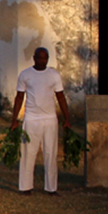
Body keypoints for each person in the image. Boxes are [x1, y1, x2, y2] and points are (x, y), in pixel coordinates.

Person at [9, 46, 71, 195]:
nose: (42, 60)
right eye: (40, 58)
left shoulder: (54, 75)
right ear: (34, 58)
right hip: (31, 119)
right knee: (28, 154)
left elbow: (60, 97)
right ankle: (25, 187)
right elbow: (19, 97)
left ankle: (51, 188)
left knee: (50, 154)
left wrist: (67, 118)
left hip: (50, 120)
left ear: (47, 59)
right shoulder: (25, 75)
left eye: (45, 58)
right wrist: (15, 119)